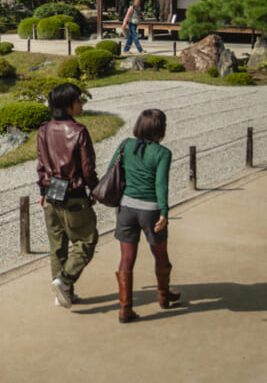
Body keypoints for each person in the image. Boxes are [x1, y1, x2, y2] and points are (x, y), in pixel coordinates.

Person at [108, 108, 179, 323]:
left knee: (126, 259)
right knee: (160, 256)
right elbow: (160, 184)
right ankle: (163, 295)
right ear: (161, 129)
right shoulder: (163, 153)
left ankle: (125, 309)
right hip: (151, 211)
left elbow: (111, 168)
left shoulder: (125, 145)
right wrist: (164, 212)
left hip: (126, 210)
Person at [36, 82, 99, 308]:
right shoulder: (79, 132)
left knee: (57, 245)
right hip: (74, 193)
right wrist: (96, 189)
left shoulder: (43, 129)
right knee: (87, 240)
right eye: (78, 101)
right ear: (68, 106)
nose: (81, 104)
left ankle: (64, 294)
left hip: (51, 192)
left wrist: (42, 190)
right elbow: (88, 168)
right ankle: (64, 281)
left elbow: (42, 164)